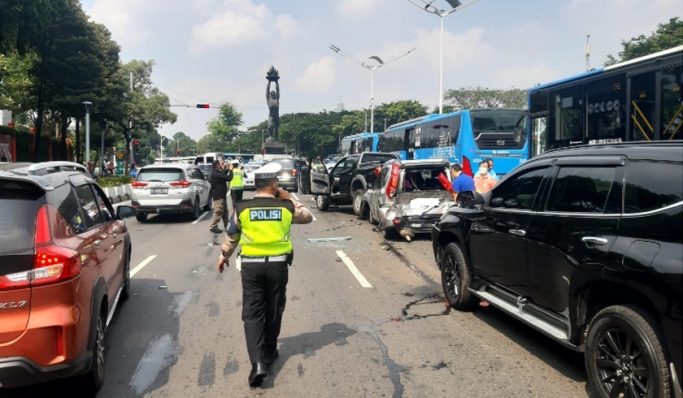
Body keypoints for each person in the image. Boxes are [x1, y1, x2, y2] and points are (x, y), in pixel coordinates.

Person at [216, 162, 313, 386]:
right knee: (275, 307)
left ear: (256, 185)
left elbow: (232, 237)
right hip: (278, 267)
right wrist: (289, 197)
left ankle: (258, 363)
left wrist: (224, 256)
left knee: (252, 312)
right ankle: (269, 351)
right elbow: (307, 217)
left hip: (251, 267)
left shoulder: (242, 207)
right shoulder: (286, 207)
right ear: (273, 184)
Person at [209, 160, 233, 233]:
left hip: (222, 195)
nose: (220, 165)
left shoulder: (217, 173)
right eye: (219, 164)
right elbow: (228, 178)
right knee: (218, 211)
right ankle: (213, 226)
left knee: (225, 212)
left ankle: (227, 225)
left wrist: (226, 169)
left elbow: (222, 174)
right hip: (218, 196)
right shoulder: (215, 174)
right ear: (216, 165)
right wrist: (231, 170)